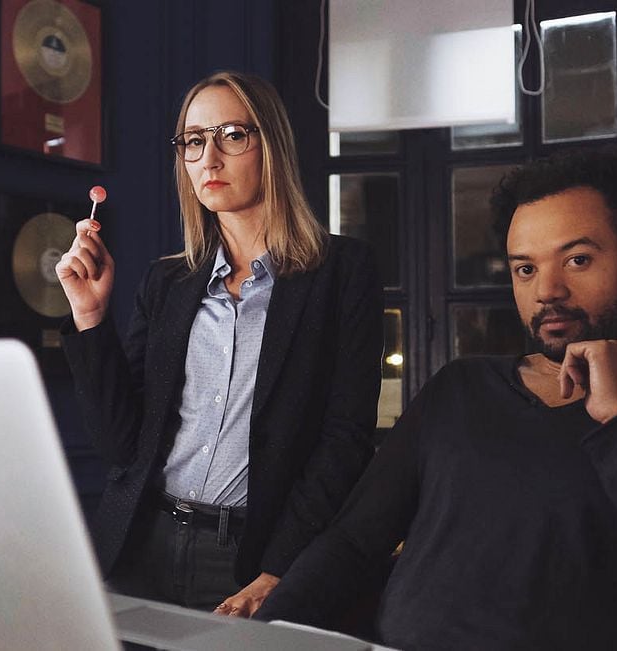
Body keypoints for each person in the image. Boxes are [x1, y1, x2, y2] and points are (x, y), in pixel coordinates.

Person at [255, 149, 617, 650]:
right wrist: (262, 635)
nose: (546, 291)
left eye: (577, 260)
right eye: (525, 268)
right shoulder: (460, 388)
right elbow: (353, 542)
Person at [56, 70, 382, 617]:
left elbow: (344, 437)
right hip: (141, 542)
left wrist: (279, 567)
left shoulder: (341, 271)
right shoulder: (168, 281)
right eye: (193, 140)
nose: (209, 158)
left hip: (250, 557)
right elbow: (120, 445)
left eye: (232, 135)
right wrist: (89, 314)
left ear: (271, 145)